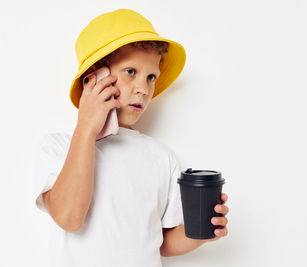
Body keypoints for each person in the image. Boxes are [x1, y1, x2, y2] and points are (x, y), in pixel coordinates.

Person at [34, 8, 229, 267]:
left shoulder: (161, 158)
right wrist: (86, 128)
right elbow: (69, 217)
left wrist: (204, 230)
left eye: (151, 77)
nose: (143, 89)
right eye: (130, 72)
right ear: (94, 78)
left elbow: (163, 243)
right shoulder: (57, 147)